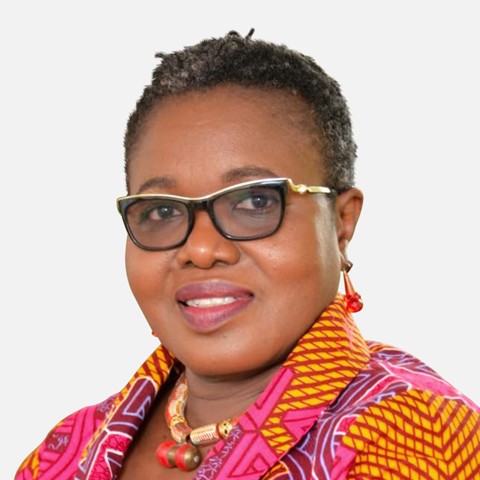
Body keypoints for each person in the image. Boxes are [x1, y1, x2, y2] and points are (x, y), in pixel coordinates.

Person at [16, 29, 480, 480]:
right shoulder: (64, 451)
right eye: (162, 211)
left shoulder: (426, 441)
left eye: (255, 202)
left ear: (341, 223)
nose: (200, 249)